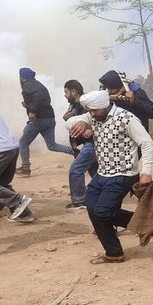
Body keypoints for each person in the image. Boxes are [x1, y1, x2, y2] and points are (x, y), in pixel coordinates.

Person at [66, 90, 153, 263]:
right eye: (89, 111)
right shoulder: (93, 116)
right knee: (92, 208)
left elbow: (146, 143)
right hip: (102, 173)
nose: (92, 114)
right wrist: (80, 122)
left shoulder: (127, 118)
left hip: (123, 174)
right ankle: (114, 252)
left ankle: (144, 223)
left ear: (105, 106)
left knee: (102, 212)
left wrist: (146, 172)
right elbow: (68, 123)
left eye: (94, 111)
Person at [17, 67, 74, 175]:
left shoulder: (27, 84)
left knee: (23, 142)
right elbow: (45, 99)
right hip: (49, 118)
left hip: (39, 119)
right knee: (52, 145)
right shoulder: (38, 84)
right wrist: (28, 105)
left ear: (22, 77)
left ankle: (25, 169)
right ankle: (74, 152)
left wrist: (32, 111)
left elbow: (38, 97)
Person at [64, 80, 97, 209]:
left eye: (66, 92)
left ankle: (79, 201)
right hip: (86, 144)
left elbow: (98, 119)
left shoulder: (85, 103)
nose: (65, 95)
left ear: (73, 91)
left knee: (76, 170)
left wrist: (92, 130)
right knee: (96, 173)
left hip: (92, 143)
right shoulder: (75, 105)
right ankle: (95, 195)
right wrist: (67, 119)